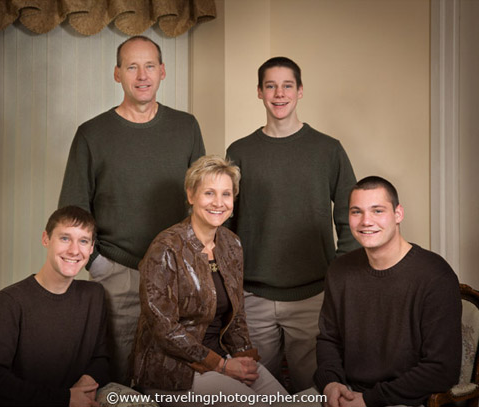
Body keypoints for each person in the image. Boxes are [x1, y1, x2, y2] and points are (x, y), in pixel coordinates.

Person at [58, 35, 205, 384]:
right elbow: (74, 207)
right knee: (121, 370)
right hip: (117, 271)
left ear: (163, 71)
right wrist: (97, 265)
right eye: (132, 66)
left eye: (150, 65)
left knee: (175, 368)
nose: (142, 75)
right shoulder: (91, 134)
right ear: (117, 74)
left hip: (174, 273)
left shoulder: (186, 127)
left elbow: (201, 198)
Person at [225, 56, 359, 392]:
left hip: (312, 295)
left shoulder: (328, 150)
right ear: (259, 92)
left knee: (314, 390)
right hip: (252, 295)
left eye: (287, 86)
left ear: (300, 91)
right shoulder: (239, 151)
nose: (279, 93)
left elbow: (350, 214)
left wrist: (339, 273)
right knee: (255, 391)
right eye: (271, 86)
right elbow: (223, 222)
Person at [132, 155, 289, 407]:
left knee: (283, 402)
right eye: (209, 193)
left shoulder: (231, 244)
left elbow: (237, 315)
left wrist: (244, 359)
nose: (218, 202)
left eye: (226, 194)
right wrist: (222, 365)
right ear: (191, 195)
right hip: (174, 371)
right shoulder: (166, 247)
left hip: (222, 359)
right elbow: (164, 329)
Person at [313, 176, 462, 407]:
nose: (366, 221)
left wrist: (369, 400)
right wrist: (331, 383)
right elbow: (329, 339)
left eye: (377, 210)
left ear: (398, 214)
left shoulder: (435, 276)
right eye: (356, 212)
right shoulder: (339, 270)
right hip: (346, 392)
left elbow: (442, 370)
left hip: (405, 400)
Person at [0, 206, 110, 406]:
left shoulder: (94, 296)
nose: (74, 250)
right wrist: (65, 398)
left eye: (83, 241)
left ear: (91, 249)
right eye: (65, 238)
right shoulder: (9, 302)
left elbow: (103, 359)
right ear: (46, 239)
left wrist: (87, 381)